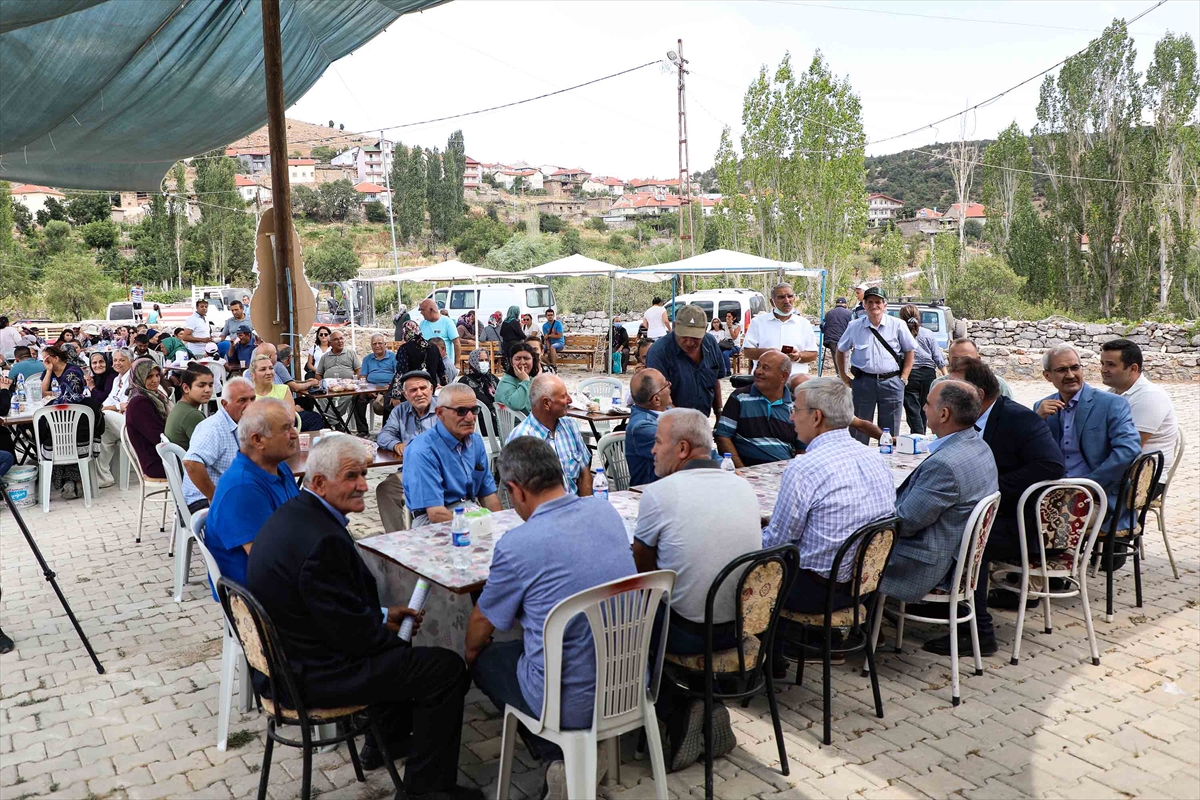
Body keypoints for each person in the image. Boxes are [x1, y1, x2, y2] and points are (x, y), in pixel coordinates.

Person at [246, 436, 482, 799]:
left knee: (403, 645)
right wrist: (389, 632)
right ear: (320, 483)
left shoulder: (299, 514)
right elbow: (353, 638)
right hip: (312, 674)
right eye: (352, 476)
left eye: (364, 474)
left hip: (294, 658)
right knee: (445, 669)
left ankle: (385, 742)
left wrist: (384, 616)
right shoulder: (322, 539)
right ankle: (427, 790)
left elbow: (333, 611)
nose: (363, 485)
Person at [466, 436, 636, 800]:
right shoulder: (605, 512)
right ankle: (580, 755)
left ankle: (558, 756)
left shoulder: (516, 545)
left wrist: (467, 656)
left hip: (568, 702)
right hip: (630, 682)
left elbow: (483, 623)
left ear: (515, 491)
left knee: (487, 657)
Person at [923, 358, 1064, 655]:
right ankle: (941, 602)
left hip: (1018, 522)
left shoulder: (1017, 418)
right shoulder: (965, 422)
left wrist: (994, 487)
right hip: (988, 510)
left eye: (955, 386)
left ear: (979, 391)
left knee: (967, 534)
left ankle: (978, 631)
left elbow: (1051, 465)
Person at [761, 377, 895, 671]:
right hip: (862, 586)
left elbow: (778, 542)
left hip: (816, 591)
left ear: (817, 417)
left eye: (795, 409)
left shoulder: (806, 467)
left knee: (739, 563)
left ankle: (763, 661)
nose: (791, 415)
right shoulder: (874, 458)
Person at [634, 406, 760, 661]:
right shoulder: (743, 486)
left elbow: (644, 573)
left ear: (682, 449)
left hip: (686, 633)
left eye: (658, 442)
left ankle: (644, 690)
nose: (653, 450)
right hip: (742, 626)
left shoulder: (660, 492)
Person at [879, 381, 999, 603]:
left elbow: (904, 522)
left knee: (845, 549)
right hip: (955, 552)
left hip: (926, 565)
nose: (923, 409)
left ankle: (858, 623)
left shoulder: (945, 465)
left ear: (944, 414)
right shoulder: (978, 445)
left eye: (927, 404)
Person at [1036, 344, 1141, 540]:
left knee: (1052, 524)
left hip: (1099, 496)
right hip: (1052, 493)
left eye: (1075, 367)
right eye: (1061, 370)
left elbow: (1129, 450)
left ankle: (1059, 568)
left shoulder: (1111, 404)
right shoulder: (1042, 408)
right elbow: (1028, 454)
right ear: (1048, 376)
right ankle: (1029, 568)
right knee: (1010, 515)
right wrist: (1036, 420)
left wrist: (1092, 486)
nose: (1070, 375)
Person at [204, 398, 299, 594]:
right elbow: (267, 564)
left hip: (286, 576)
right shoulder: (241, 488)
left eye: (293, 426)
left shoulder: (278, 467)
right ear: (257, 440)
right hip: (258, 596)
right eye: (286, 428)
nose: (294, 434)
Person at [402, 385, 502, 526]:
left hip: (470, 512)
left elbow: (488, 495)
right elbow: (435, 513)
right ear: (440, 413)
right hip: (432, 523)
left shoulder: (476, 441)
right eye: (461, 411)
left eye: (474, 410)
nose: (470, 418)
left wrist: (500, 525)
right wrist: (477, 526)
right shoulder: (422, 451)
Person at [835, 287, 916, 444]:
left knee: (891, 429)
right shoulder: (854, 326)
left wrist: (904, 378)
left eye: (878, 302)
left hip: (892, 382)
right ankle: (857, 459)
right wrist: (844, 376)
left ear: (885, 305)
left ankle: (888, 462)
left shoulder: (898, 325)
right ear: (864, 305)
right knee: (859, 426)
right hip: (863, 382)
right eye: (870, 302)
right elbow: (841, 350)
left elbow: (909, 351)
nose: (874, 306)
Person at [1100, 338, 1179, 493]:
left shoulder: (1150, 397)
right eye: (1102, 364)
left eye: (1111, 364)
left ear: (1133, 368)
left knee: (1079, 493)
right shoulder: (1112, 394)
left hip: (1143, 479)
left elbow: (1129, 449)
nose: (1103, 369)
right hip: (1119, 470)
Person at [507, 374, 592, 497]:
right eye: (563, 396)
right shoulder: (522, 438)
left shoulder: (570, 425)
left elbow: (585, 474)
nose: (570, 400)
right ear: (546, 403)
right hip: (543, 512)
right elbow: (523, 495)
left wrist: (586, 507)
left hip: (574, 507)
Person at [181, 377, 257, 514]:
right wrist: (215, 497)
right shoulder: (213, 427)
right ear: (225, 404)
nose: (250, 405)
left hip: (230, 493)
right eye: (242, 400)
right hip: (202, 501)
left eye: (253, 399)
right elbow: (191, 463)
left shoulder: (245, 423)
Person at [375, 370, 439, 532]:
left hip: (441, 471)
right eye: (413, 390)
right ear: (405, 394)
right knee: (385, 490)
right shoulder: (400, 411)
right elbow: (384, 435)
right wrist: (396, 444)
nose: (419, 393)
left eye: (423, 388)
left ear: (431, 389)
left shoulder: (443, 410)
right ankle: (397, 538)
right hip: (410, 472)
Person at [714, 349, 798, 468]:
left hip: (783, 472)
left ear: (783, 376)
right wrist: (742, 469)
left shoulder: (796, 405)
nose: (758, 371)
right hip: (746, 471)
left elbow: (802, 448)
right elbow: (723, 436)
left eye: (765, 368)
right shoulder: (740, 397)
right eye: (757, 365)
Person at [645, 304, 725, 418]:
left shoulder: (710, 342)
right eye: (684, 337)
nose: (689, 343)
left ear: (705, 329)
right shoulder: (659, 352)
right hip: (670, 423)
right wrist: (686, 424)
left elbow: (715, 381)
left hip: (701, 421)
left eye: (695, 338)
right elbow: (660, 399)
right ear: (675, 326)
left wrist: (719, 413)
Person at [38, 345, 92, 498]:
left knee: (59, 435)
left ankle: (71, 480)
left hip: (76, 421)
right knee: (55, 434)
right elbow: (42, 392)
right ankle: (70, 481)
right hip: (59, 419)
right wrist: (49, 370)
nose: (44, 362)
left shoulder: (72, 372)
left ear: (55, 358)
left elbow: (70, 395)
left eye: (47, 359)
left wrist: (55, 393)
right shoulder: (49, 372)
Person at [743, 283, 819, 377]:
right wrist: (770, 353)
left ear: (794, 298)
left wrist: (798, 356)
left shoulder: (804, 324)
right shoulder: (758, 322)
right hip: (765, 379)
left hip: (795, 379)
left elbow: (813, 354)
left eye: (790, 296)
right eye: (781, 297)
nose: (787, 301)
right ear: (772, 302)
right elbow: (747, 352)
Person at [899, 304, 946, 435]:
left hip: (910, 374)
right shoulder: (928, 333)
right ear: (918, 316)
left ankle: (918, 435)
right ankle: (922, 435)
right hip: (928, 374)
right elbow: (938, 356)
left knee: (912, 408)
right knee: (925, 407)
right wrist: (946, 376)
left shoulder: (900, 334)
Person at [122, 359, 172, 479]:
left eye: (157, 375)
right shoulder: (139, 403)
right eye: (149, 376)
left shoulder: (156, 396)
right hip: (156, 462)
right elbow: (158, 437)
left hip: (164, 455)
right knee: (199, 466)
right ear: (139, 377)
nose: (155, 380)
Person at [93, 348, 134, 487]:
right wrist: (107, 408)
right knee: (102, 435)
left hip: (132, 424)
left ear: (131, 361)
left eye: (122, 360)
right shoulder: (118, 379)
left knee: (104, 416)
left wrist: (110, 408)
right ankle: (103, 478)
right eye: (115, 360)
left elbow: (126, 406)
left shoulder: (134, 377)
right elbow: (109, 401)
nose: (117, 363)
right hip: (118, 420)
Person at [626, 368, 672, 487]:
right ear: (657, 399)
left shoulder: (667, 411)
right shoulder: (642, 427)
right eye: (666, 384)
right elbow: (684, 451)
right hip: (653, 493)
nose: (669, 385)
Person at [315, 329, 364, 431]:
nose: (340, 341)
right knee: (320, 397)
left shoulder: (351, 353)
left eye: (341, 338)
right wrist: (321, 383)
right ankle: (337, 422)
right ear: (330, 343)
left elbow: (358, 370)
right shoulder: (325, 357)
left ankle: (331, 421)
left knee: (349, 396)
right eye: (336, 339)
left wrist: (353, 382)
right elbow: (318, 374)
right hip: (330, 387)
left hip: (347, 386)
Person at [932, 338, 1014, 398]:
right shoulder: (938, 385)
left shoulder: (998, 384)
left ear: (978, 360)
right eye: (955, 359)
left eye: (966, 359)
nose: (960, 363)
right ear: (949, 361)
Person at [165, 365, 214, 449]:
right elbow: (210, 449)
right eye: (201, 385)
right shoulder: (192, 415)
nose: (208, 390)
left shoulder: (179, 406)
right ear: (186, 388)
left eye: (210, 385)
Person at [357, 333, 398, 427]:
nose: (377, 346)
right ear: (371, 346)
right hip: (371, 388)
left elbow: (398, 374)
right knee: (357, 398)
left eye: (380, 343)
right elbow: (363, 376)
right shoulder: (367, 359)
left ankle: (386, 430)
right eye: (374, 344)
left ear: (385, 344)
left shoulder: (394, 357)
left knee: (389, 400)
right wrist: (368, 390)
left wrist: (390, 386)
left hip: (388, 388)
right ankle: (362, 430)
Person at [459, 348, 499, 434]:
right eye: (481, 360)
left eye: (486, 360)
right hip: (478, 422)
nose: (484, 363)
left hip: (500, 418)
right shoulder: (465, 381)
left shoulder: (492, 378)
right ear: (473, 361)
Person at [495, 342, 538, 415]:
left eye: (526, 358)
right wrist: (525, 381)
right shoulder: (506, 382)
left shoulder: (532, 379)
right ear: (511, 362)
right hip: (513, 425)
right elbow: (516, 405)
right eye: (518, 359)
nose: (522, 362)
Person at [418, 299, 459, 364]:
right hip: (428, 364)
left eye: (423, 310)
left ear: (431, 310)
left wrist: (457, 363)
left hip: (445, 364)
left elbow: (456, 343)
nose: (421, 312)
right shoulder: (422, 324)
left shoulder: (447, 322)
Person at [820, 297, 852, 378]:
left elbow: (822, 325)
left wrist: (825, 332)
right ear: (845, 304)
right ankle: (843, 376)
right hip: (844, 339)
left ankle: (839, 374)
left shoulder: (829, 313)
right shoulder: (849, 313)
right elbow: (854, 326)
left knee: (836, 357)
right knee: (845, 358)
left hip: (831, 339)